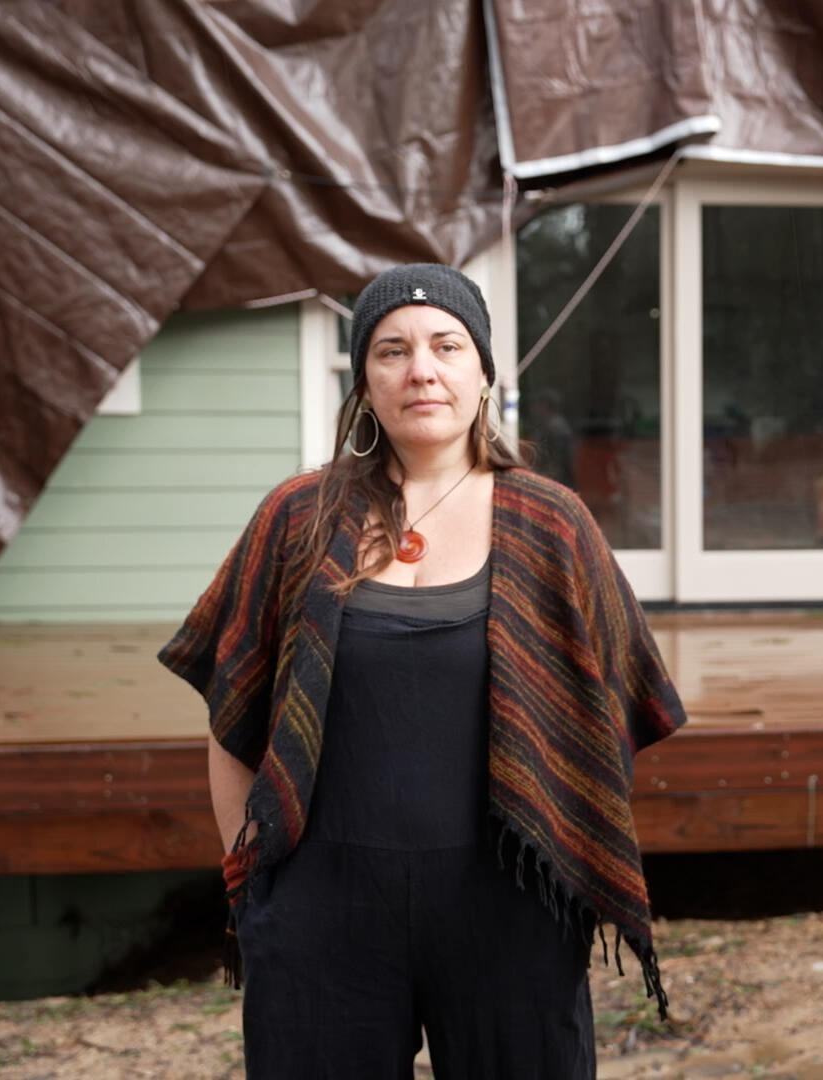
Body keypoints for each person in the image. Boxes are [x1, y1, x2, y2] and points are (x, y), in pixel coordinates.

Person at [157, 263, 685, 1079]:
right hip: (323, 908)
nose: (421, 370)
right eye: (391, 351)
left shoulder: (553, 524)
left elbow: (603, 718)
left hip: (507, 909)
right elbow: (235, 711)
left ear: (483, 374)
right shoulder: (299, 516)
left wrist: (562, 836)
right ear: (365, 384)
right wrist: (254, 886)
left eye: (446, 345)